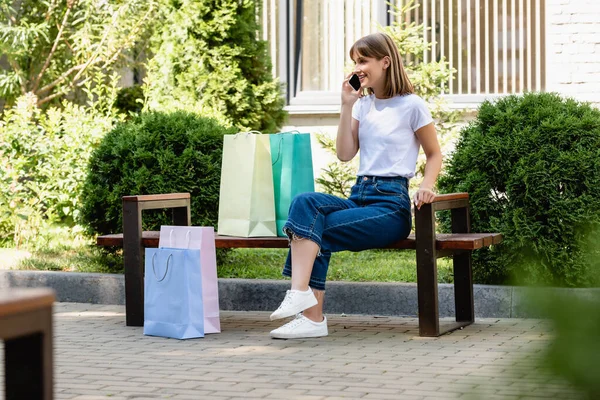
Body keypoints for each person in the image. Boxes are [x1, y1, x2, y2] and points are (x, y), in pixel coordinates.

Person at [269, 32, 442, 339]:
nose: (357, 67)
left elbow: (434, 154)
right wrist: (346, 104)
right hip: (359, 195)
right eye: (355, 61)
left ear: (385, 62)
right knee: (306, 205)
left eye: (363, 60)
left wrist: (428, 185)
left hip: (390, 206)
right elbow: (345, 154)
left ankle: (310, 315)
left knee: (314, 228)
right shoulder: (362, 105)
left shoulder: (411, 105)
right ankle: (304, 302)